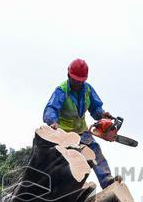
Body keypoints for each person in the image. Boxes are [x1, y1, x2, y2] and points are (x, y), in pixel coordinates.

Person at [42, 58, 117, 188]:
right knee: (69, 161)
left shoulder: (87, 90)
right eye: (76, 80)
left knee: (95, 150)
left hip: (82, 131)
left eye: (81, 81)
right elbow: (51, 108)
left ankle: (107, 180)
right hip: (64, 134)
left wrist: (102, 114)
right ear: (68, 76)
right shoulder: (62, 90)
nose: (78, 84)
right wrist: (52, 122)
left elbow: (95, 108)